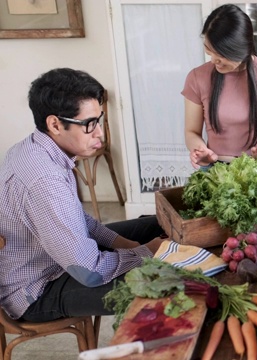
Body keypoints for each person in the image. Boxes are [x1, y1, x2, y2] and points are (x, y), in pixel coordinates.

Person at [0, 68, 166, 322]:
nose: (99, 132)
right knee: (170, 281)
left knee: (156, 224)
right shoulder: (45, 180)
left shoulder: (38, 148)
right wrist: (146, 253)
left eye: (98, 120)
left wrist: (130, 245)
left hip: (59, 259)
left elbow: (76, 218)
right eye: (90, 124)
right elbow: (90, 271)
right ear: (55, 124)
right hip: (37, 288)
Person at [183, 4, 257, 169]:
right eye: (209, 51)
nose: (213, 61)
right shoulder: (197, 78)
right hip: (214, 169)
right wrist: (201, 151)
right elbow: (192, 131)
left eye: (220, 55)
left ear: (243, 49)